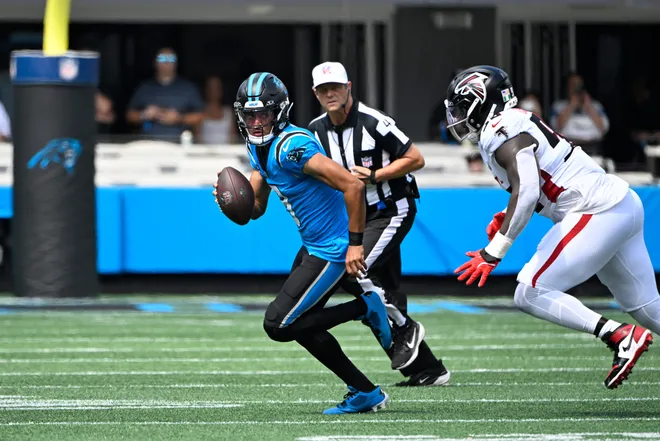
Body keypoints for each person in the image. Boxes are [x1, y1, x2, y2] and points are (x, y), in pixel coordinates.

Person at [445, 65, 656, 389]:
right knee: (648, 308)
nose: (457, 117)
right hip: (620, 203)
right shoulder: (512, 121)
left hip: (595, 210)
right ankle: (623, 332)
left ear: (480, 101)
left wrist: (494, 251)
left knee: (529, 290)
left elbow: (527, 189)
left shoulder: (499, 129)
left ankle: (618, 335)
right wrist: (508, 212)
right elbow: (543, 177)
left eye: (460, 107)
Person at [214, 72, 393, 414]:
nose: (256, 121)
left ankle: (365, 306)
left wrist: (355, 246)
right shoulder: (257, 145)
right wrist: (229, 202)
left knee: (278, 324)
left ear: (279, 112)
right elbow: (255, 208)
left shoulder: (293, 146)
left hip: (332, 249)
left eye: (263, 114)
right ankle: (365, 391)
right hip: (313, 245)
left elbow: (352, 187)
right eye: (249, 115)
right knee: (300, 324)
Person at [307, 61, 450, 386]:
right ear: (315, 93)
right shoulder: (315, 130)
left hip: (391, 208)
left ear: (349, 87)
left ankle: (405, 326)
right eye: (323, 89)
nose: (330, 94)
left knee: (354, 273)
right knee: (376, 293)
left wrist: (376, 175)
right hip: (358, 217)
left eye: (336, 87)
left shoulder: (374, 122)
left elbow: (416, 158)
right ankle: (427, 369)